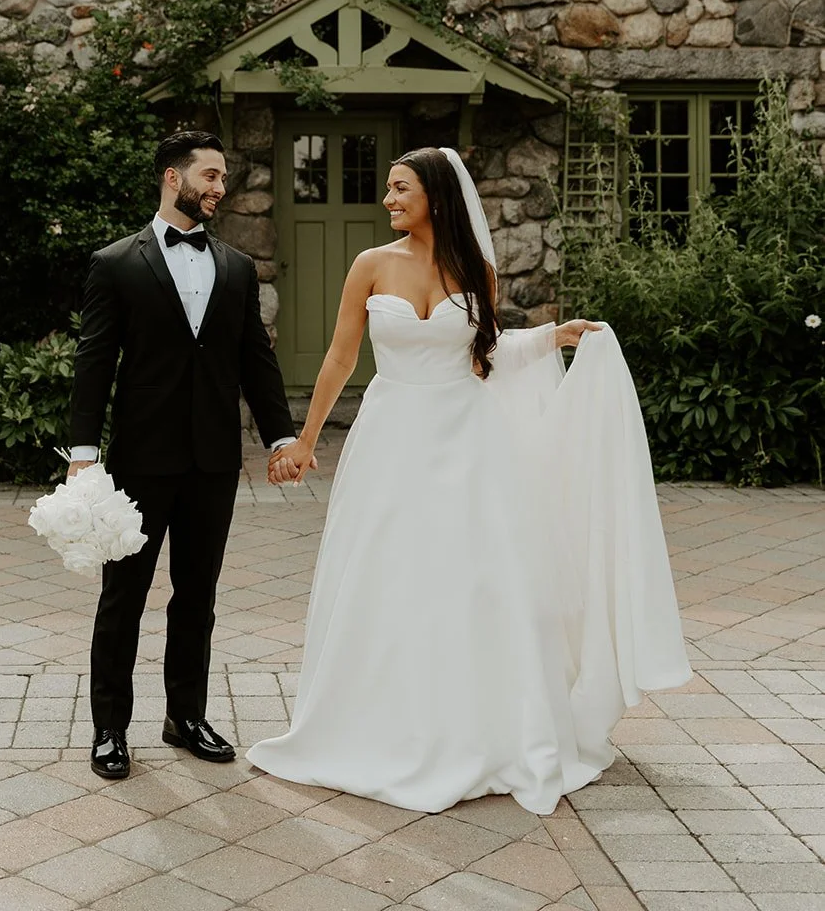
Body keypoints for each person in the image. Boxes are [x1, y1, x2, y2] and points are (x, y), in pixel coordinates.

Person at [249, 145, 690, 816]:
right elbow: (341, 356)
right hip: (393, 437)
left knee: (474, 578)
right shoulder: (370, 264)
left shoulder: (474, 267)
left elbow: (486, 353)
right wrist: (305, 440)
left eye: (400, 189)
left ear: (434, 194)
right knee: (386, 571)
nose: (388, 200)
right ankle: (379, 721)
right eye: (389, 190)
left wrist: (552, 335)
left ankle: (480, 726)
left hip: (468, 440)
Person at [67, 129, 305, 781]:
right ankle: (110, 730)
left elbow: (255, 360)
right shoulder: (114, 263)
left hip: (211, 464)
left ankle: (186, 716)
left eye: (222, 178)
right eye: (209, 175)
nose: (219, 188)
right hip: (140, 460)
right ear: (172, 178)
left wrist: (282, 436)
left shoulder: (234, 268)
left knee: (196, 596)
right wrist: (81, 452)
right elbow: (93, 365)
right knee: (124, 597)